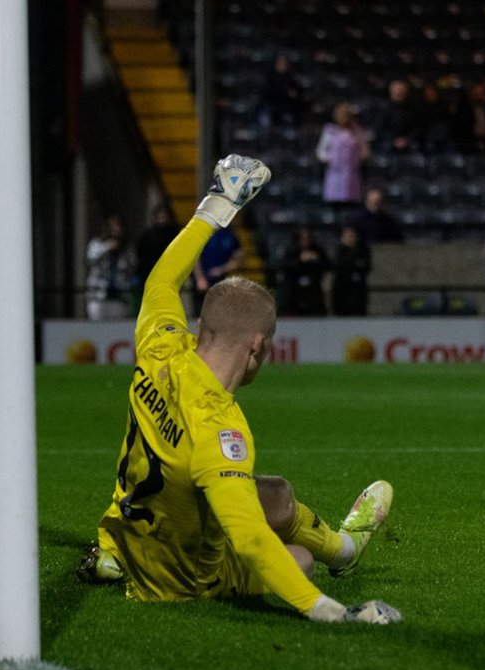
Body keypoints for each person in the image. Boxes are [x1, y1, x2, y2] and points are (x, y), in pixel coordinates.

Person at [81, 153, 401, 628]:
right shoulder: (220, 429)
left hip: (130, 530)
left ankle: (346, 549)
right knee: (298, 560)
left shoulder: (162, 345)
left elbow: (161, 281)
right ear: (258, 347)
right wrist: (334, 611)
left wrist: (217, 204)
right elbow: (251, 538)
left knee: (275, 495)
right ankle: (342, 552)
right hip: (178, 579)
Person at [316, 102, 370, 209]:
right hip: (335, 173)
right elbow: (321, 152)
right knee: (335, 205)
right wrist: (331, 158)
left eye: (347, 115)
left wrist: (354, 157)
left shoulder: (358, 132)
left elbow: (365, 152)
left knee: (351, 204)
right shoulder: (330, 131)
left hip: (352, 173)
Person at [131, 205, 178, 314]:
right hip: (149, 276)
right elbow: (141, 257)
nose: (162, 220)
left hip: (168, 276)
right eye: (159, 217)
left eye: (164, 217)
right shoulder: (147, 237)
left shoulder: (173, 235)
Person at [277, 227, 329, 317]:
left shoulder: (317, 250)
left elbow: (328, 265)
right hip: (293, 295)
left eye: (308, 237)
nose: (306, 240)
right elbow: (283, 265)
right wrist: (300, 259)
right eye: (303, 238)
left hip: (313, 295)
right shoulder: (290, 250)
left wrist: (317, 259)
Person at [194, 224, 243, 312]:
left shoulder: (230, 234)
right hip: (204, 279)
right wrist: (200, 278)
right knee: (203, 310)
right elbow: (195, 258)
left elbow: (238, 260)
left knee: (222, 310)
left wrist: (222, 269)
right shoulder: (203, 233)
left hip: (223, 279)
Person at [254, 53, 305, 132]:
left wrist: (294, 95)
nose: (283, 65)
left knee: (291, 119)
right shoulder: (269, 78)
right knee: (264, 120)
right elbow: (265, 95)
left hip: (286, 109)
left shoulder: (291, 78)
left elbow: (297, 93)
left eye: (285, 63)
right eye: (281, 63)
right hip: (270, 108)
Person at [331, 224, 371, 316]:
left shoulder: (363, 250)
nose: (351, 239)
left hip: (358, 292)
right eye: (348, 236)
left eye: (353, 236)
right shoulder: (339, 251)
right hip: (342, 291)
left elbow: (366, 267)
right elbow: (338, 267)